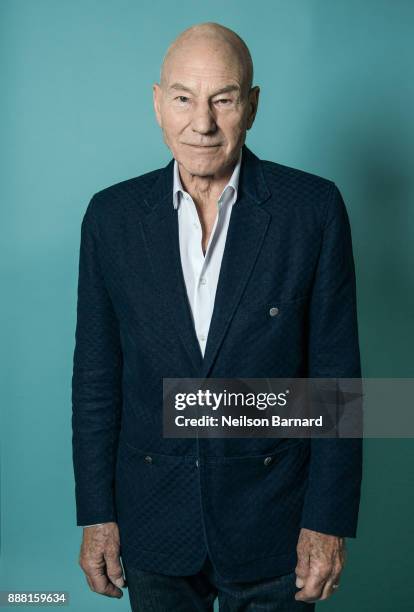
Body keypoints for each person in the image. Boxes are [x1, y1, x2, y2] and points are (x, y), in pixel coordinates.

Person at [72, 21, 362, 611]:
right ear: (158, 103)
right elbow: (96, 382)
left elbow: (339, 385)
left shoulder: (315, 210)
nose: (201, 124)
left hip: (277, 526)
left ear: (251, 106)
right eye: (183, 98)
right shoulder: (110, 217)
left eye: (222, 100)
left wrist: (328, 522)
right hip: (152, 522)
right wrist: (97, 515)